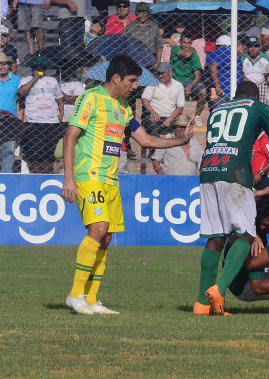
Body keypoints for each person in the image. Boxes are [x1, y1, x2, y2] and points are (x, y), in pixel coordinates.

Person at [61, 54, 193, 315]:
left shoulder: (124, 107)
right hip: (89, 176)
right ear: (116, 78)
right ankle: (75, 295)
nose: (135, 86)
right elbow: (70, 136)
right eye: (132, 81)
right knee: (98, 229)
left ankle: (91, 299)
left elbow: (144, 139)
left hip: (111, 180)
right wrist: (68, 178)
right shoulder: (90, 98)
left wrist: (180, 141)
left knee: (107, 237)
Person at [195, 81, 269, 316]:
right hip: (236, 172)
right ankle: (219, 291)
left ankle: (201, 303)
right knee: (246, 235)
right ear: (255, 96)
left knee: (216, 236)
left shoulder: (218, 108)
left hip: (209, 170)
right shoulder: (258, 107)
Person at [18, 64, 64, 174]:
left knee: (51, 155)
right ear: (32, 68)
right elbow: (21, 91)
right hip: (34, 122)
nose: (39, 69)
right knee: (35, 156)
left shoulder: (52, 80)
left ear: (46, 68)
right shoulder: (25, 79)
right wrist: (35, 78)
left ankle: (49, 175)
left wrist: (61, 113)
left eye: (42, 67)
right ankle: (36, 177)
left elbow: (59, 99)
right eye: (36, 67)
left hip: (51, 122)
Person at [170, 33, 208, 127]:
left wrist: (191, 86)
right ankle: (173, 119)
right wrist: (192, 48)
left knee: (203, 91)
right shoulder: (175, 49)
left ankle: (197, 117)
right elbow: (186, 55)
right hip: (175, 80)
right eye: (184, 42)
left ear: (192, 43)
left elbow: (197, 75)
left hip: (189, 82)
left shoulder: (194, 55)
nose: (186, 45)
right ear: (180, 42)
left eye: (189, 43)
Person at [141, 62, 185, 137]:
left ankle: (179, 146)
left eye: (163, 73)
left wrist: (170, 119)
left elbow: (180, 107)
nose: (160, 76)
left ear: (170, 72)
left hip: (171, 116)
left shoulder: (178, 85)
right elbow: (144, 99)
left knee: (185, 125)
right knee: (153, 125)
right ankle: (155, 148)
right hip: (155, 116)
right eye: (159, 73)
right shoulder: (153, 83)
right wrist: (153, 112)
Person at [205, 35, 245, 109]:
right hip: (223, 93)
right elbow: (212, 67)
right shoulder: (226, 51)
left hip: (224, 92)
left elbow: (208, 75)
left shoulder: (212, 54)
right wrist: (218, 87)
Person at [0, 53, 20, 173]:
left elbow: (21, 101)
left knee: (8, 150)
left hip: (9, 120)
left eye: (4, 64)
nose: (1, 67)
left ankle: (6, 177)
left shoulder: (17, 80)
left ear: (9, 65)